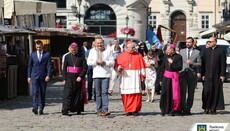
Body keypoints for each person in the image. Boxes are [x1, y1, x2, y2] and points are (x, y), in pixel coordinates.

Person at [115, 41, 146, 116]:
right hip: (125, 76)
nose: (134, 49)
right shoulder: (121, 56)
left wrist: (143, 74)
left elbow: (142, 66)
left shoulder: (138, 55)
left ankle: (135, 109)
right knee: (126, 94)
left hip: (135, 76)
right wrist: (119, 68)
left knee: (136, 94)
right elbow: (117, 66)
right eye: (132, 47)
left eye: (134, 47)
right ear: (127, 47)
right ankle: (128, 110)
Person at [87, 35, 114, 116]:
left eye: (101, 43)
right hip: (96, 75)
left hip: (105, 74)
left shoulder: (108, 50)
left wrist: (105, 62)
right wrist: (96, 62)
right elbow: (89, 62)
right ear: (95, 44)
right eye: (98, 43)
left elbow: (112, 62)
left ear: (103, 43)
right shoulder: (92, 51)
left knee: (104, 93)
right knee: (98, 93)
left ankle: (105, 109)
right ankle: (99, 110)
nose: (99, 44)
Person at [201, 36, 226, 114]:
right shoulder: (205, 51)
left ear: (215, 42)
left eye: (210, 42)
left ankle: (213, 108)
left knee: (215, 92)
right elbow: (203, 64)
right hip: (207, 75)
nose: (209, 43)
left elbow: (223, 64)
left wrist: (222, 75)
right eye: (208, 42)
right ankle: (206, 107)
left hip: (216, 75)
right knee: (206, 92)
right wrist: (203, 74)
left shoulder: (220, 51)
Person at [62, 42, 87, 115]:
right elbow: (64, 69)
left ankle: (78, 109)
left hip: (78, 77)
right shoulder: (67, 57)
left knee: (78, 94)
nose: (74, 50)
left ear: (77, 49)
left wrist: (81, 76)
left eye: (75, 49)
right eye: (72, 49)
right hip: (69, 77)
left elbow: (85, 68)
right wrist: (64, 78)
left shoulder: (81, 57)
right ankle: (66, 109)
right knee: (68, 94)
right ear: (70, 49)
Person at [27, 40, 52, 115]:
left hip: (43, 76)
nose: (38, 48)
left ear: (42, 46)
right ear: (35, 47)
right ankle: (35, 107)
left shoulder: (47, 54)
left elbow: (49, 66)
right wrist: (28, 76)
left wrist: (48, 75)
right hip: (34, 76)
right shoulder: (32, 54)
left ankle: (41, 108)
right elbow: (30, 66)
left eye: (40, 47)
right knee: (35, 92)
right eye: (37, 47)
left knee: (42, 92)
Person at [179, 37, 201, 115]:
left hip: (192, 75)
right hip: (182, 74)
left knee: (191, 93)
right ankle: (183, 108)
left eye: (189, 42)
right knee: (183, 92)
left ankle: (188, 109)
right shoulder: (181, 51)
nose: (187, 43)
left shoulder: (197, 52)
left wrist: (192, 63)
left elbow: (199, 63)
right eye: (186, 42)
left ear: (192, 43)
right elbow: (179, 62)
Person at [159, 44, 182, 116]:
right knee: (164, 93)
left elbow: (179, 67)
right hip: (166, 77)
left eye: (168, 50)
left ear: (172, 50)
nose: (166, 51)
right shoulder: (165, 56)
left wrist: (172, 62)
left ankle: (174, 109)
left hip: (174, 77)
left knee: (174, 94)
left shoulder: (178, 57)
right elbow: (162, 68)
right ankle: (164, 109)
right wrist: (160, 79)